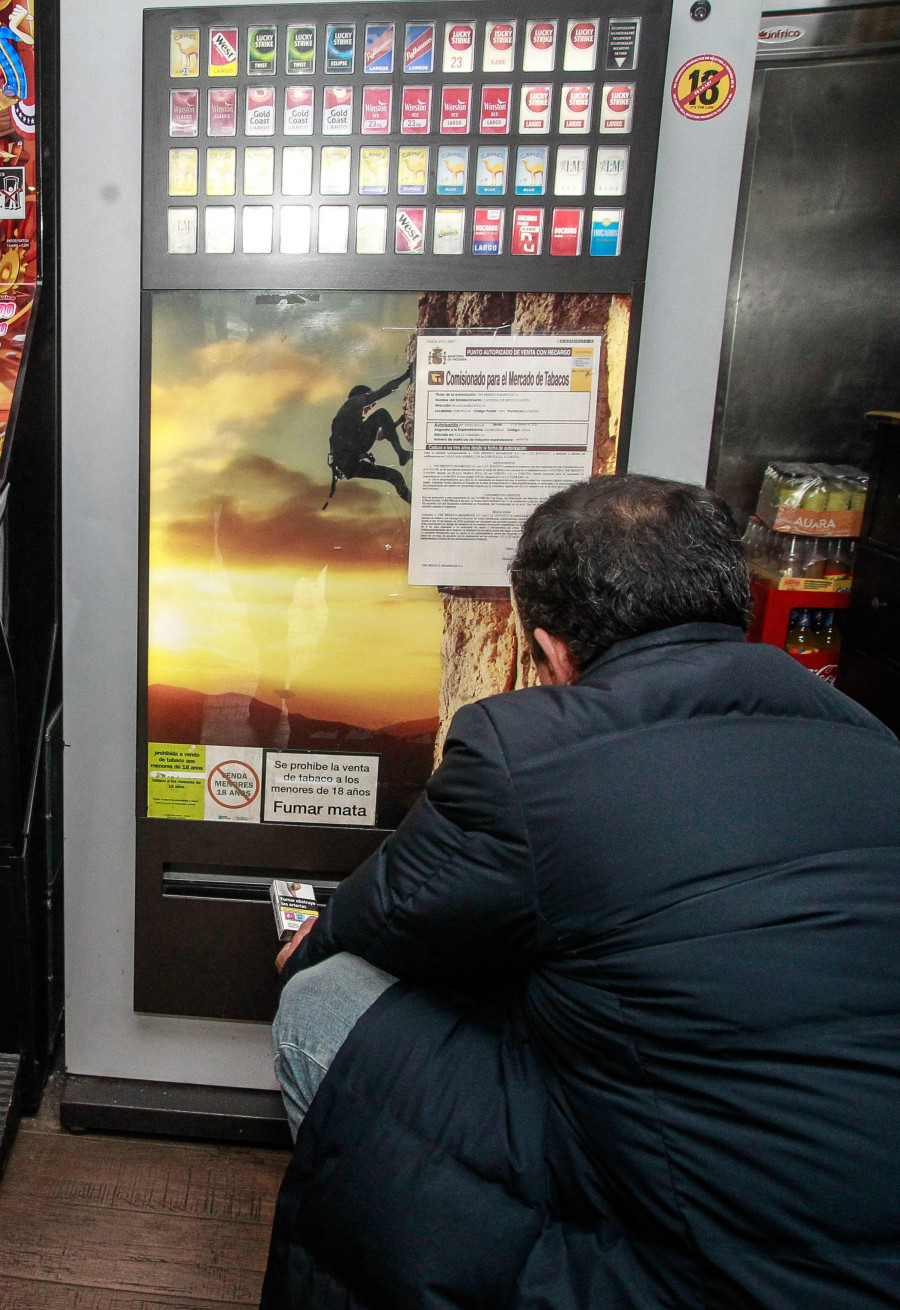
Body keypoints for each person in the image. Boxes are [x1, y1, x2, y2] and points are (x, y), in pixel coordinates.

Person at [260, 474, 900, 1310]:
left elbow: (395, 908)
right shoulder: (872, 741)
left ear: (551, 646)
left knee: (323, 998)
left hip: (704, 1261)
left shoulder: (525, 750)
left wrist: (309, 939)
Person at [323, 365, 412, 507]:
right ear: (363, 396)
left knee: (395, 476)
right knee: (381, 413)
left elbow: (379, 436)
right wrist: (406, 375)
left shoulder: (351, 417)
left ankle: (417, 506)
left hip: (349, 465)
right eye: (370, 403)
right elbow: (383, 392)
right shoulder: (352, 402)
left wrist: (398, 422)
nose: (370, 407)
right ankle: (401, 453)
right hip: (352, 456)